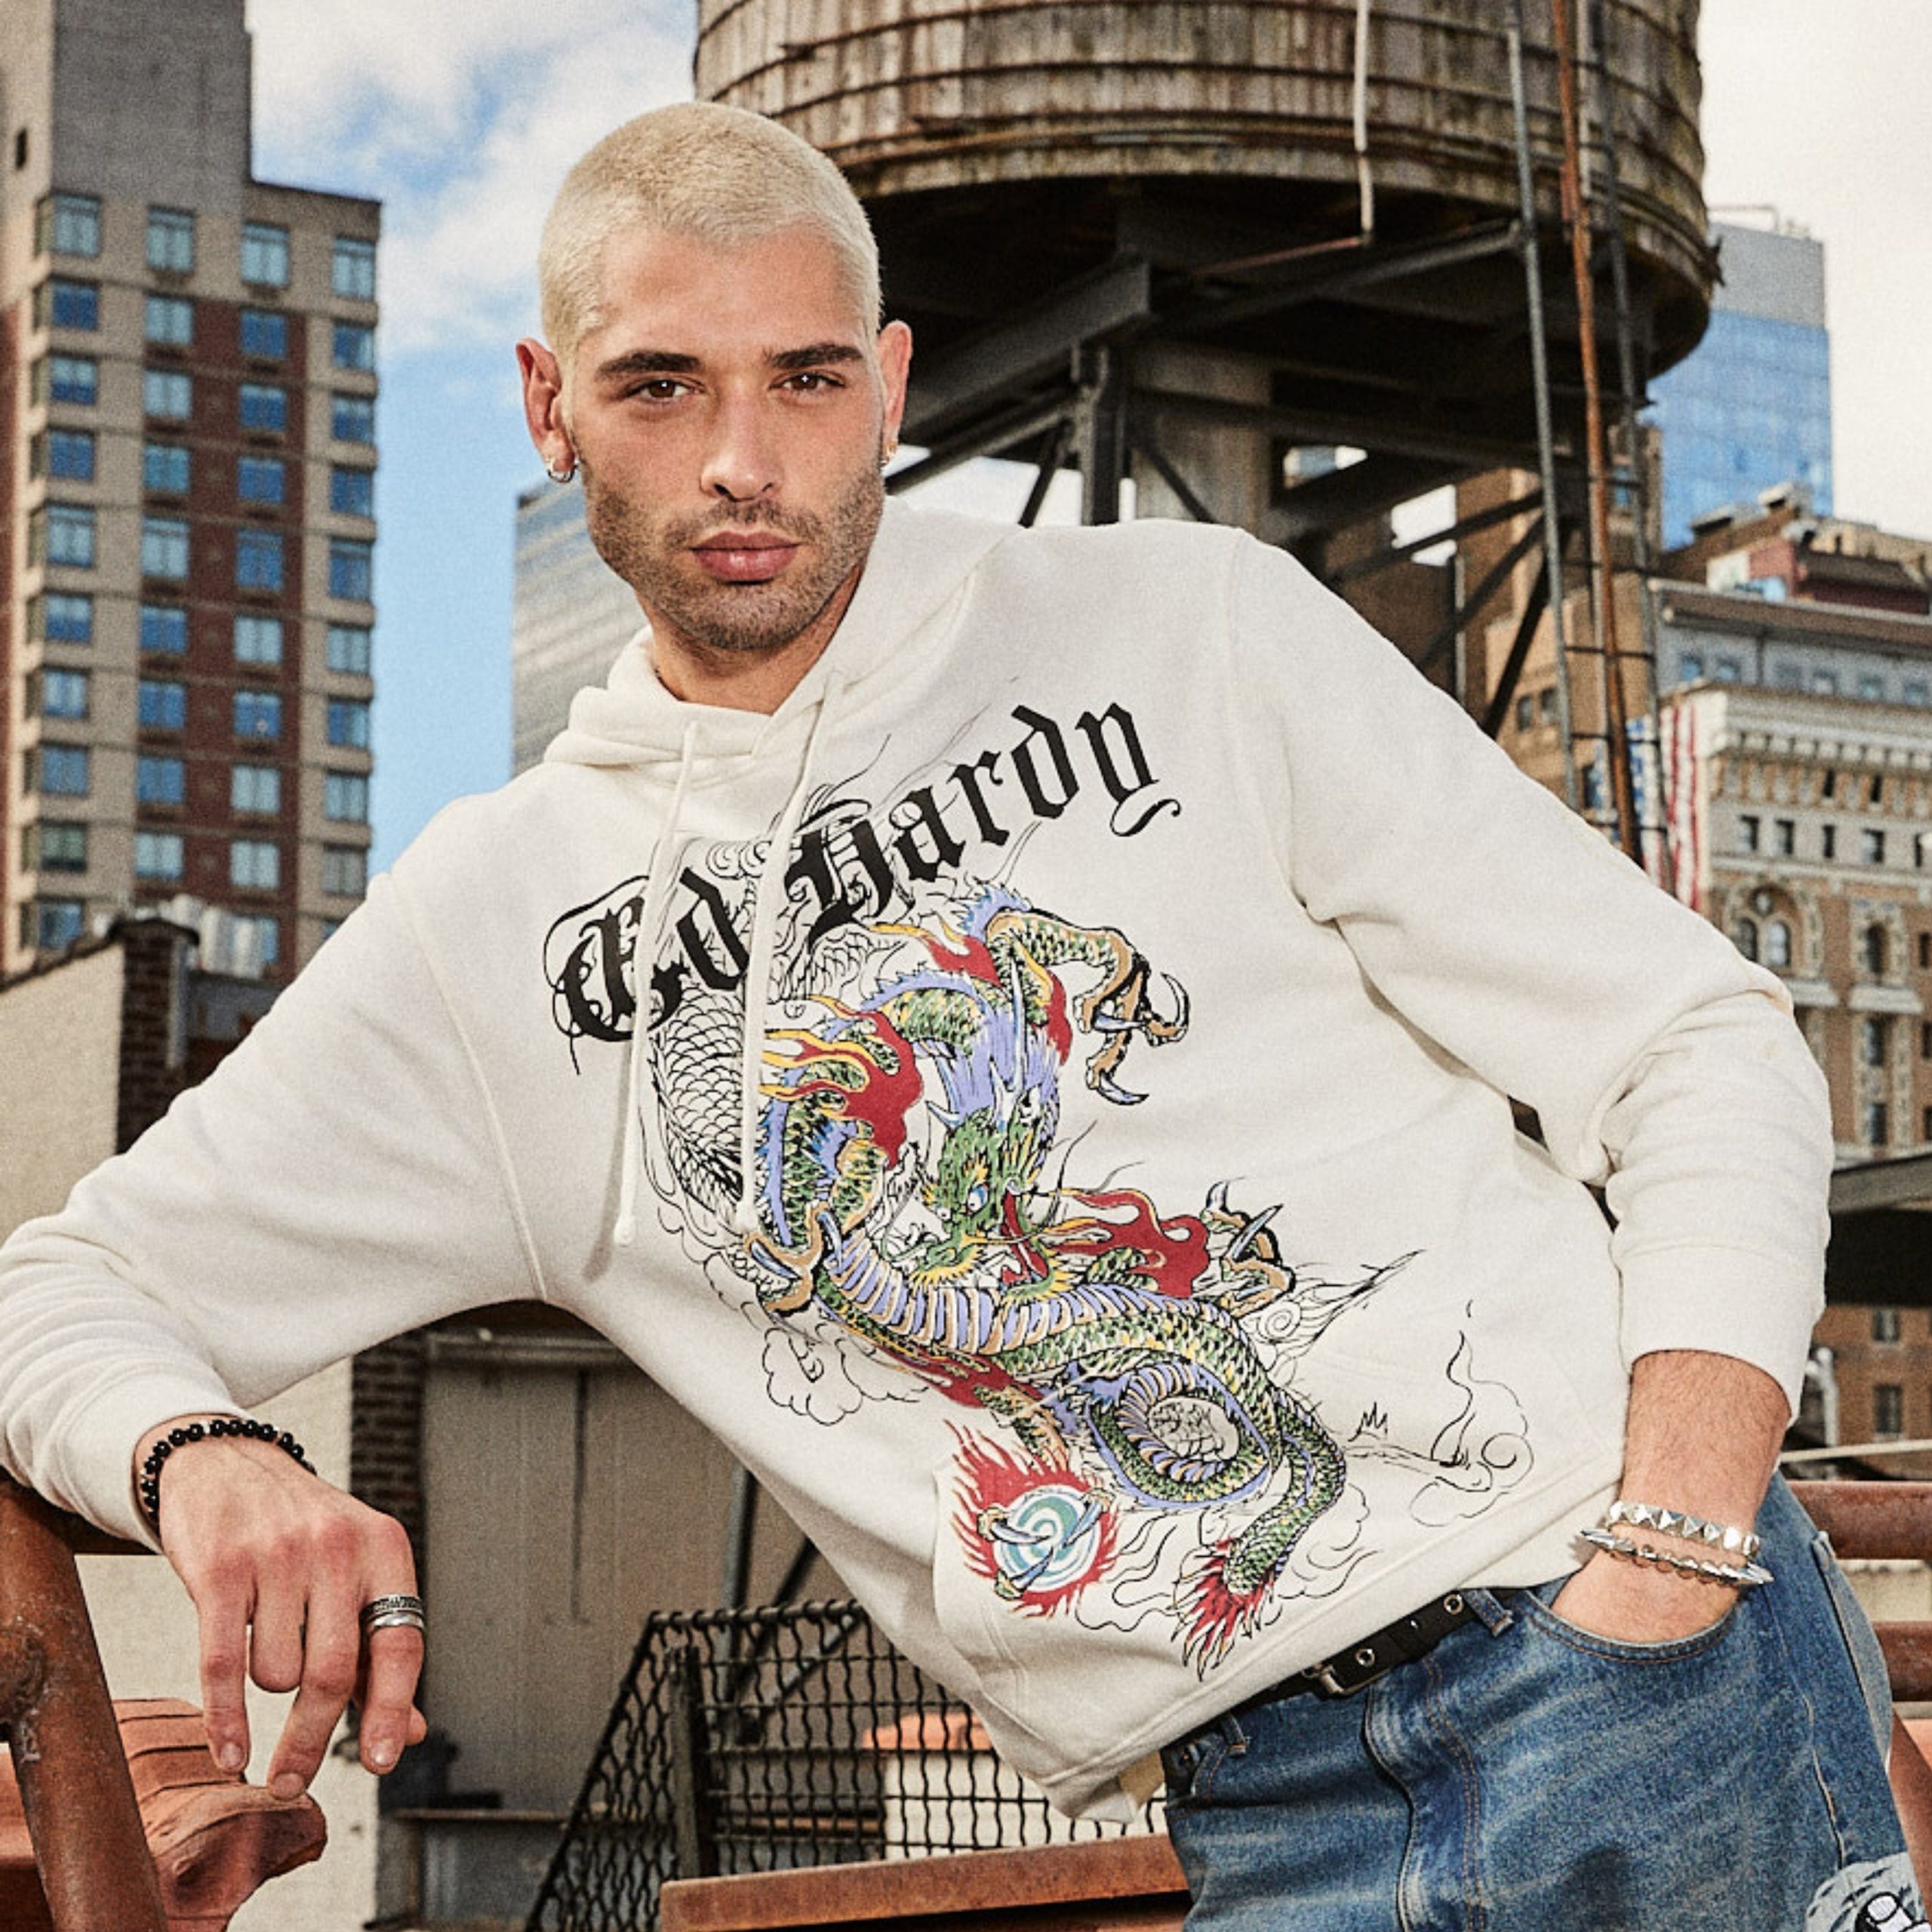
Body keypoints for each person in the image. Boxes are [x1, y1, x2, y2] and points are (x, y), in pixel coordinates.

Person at [0, 100, 1919, 1930]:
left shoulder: (1190, 623)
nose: (741, 460)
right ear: (546, 404)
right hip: (1266, 1798)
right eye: (660, 385)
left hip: (1628, 1634)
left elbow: (1692, 1038)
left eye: (804, 380)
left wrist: (1672, 1548)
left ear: (892, 384)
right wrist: (205, 1451)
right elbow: (57, 1289)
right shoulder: (491, 937)